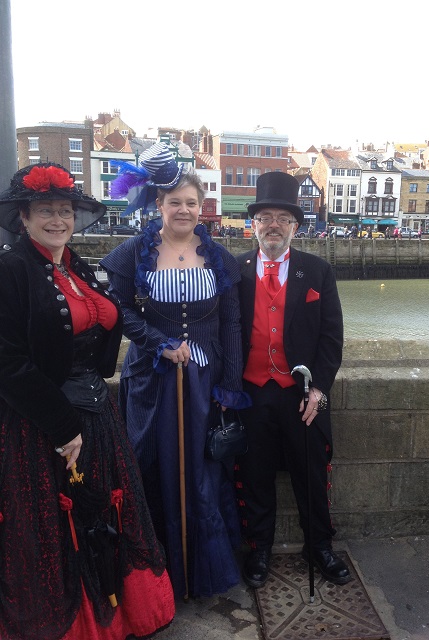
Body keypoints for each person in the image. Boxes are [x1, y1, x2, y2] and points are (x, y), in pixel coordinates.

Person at [0, 163, 175, 640]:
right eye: (45, 211)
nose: (57, 219)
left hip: (97, 416)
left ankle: (120, 615)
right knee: (59, 529)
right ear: (23, 217)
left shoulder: (73, 264)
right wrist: (62, 427)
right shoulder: (11, 269)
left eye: (64, 210)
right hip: (45, 427)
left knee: (105, 515)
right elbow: (9, 364)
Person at [100, 142, 250, 599]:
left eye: (192, 203)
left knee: (203, 474)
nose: (184, 210)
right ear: (158, 205)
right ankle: (157, 577)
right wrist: (159, 343)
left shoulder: (219, 257)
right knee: (153, 469)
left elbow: (231, 323)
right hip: (152, 381)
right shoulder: (132, 254)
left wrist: (229, 384)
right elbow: (118, 311)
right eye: (175, 203)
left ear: (202, 207)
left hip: (204, 381)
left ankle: (201, 574)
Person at [235, 171, 351, 589]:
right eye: (265, 217)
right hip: (251, 394)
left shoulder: (317, 271)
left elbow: (331, 337)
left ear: (295, 227)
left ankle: (319, 546)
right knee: (255, 474)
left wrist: (318, 390)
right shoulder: (235, 270)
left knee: (311, 475)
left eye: (283, 218)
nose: (273, 225)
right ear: (253, 225)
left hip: (302, 396)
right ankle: (259, 547)